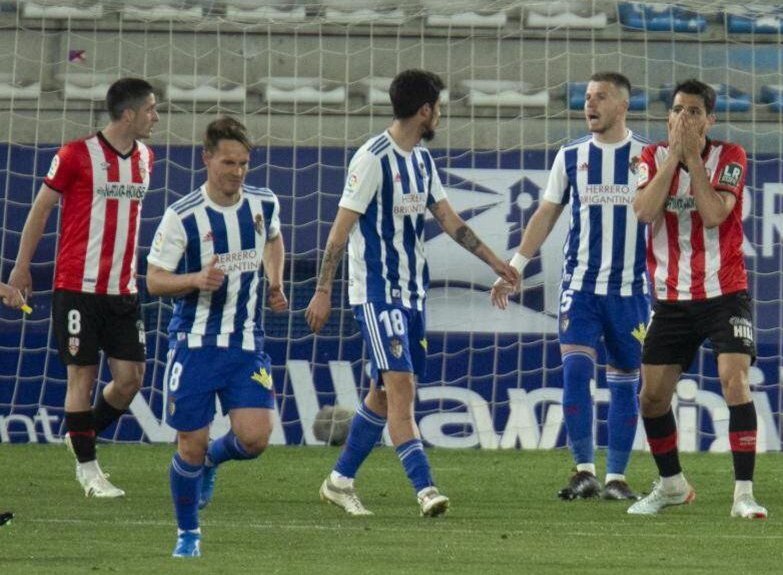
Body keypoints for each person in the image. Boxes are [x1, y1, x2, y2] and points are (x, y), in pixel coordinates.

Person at [305, 69, 517, 518]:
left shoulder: (421, 160)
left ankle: (339, 481)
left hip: (412, 294)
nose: (439, 114)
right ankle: (425, 490)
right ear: (425, 110)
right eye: (438, 106)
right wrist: (323, 290)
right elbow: (339, 232)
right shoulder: (371, 159)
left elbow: (449, 220)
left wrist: (497, 263)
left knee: (383, 395)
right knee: (402, 393)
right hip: (378, 294)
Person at [491, 72, 649, 501]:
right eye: (586, 97)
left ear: (622, 106)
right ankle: (583, 470)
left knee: (624, 382)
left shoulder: (649, 156)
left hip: (632, 292)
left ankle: (616, 477)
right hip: (579, 288)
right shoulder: (571, 156)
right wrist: (517, 265)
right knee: (576, 370)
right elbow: (545, 212)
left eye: (600, 97)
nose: (588, 104)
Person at [7, 77, 159, 498]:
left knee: (131, 379)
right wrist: (22, 268)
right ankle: (89, 470)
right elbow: (40, 210)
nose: (156, 117)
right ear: (127, 114)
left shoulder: (146, 157)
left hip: (123, 289)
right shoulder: (76, 155)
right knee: (83, 377)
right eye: (150, 109)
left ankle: (80, 435)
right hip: (77, 286)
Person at [146, 117, 289, 558]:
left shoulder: (263, 202)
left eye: (244, 163)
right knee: (189, 442)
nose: (238, 171)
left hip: (246, 344)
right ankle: (188, 534)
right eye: (229, 162)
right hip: (195, 345)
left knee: (255, 439)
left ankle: (213, 459)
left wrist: (275, 280)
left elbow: (274, 240)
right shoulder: (182, 215)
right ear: (207, 158)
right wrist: (195, 278)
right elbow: (153, 281)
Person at [629, 79, 766, 519]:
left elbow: (712, 214)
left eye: (693, 112)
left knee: (735, 381)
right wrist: (675, 158)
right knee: (651, 398)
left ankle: (743, 494)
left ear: (710, 119)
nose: (683, 118)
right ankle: (672, 485)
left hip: (724, 292)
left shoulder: (731, 157)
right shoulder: (648, 157)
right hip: (670, 298)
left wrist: (693, 160)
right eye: (676, 110)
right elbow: (645, 212)